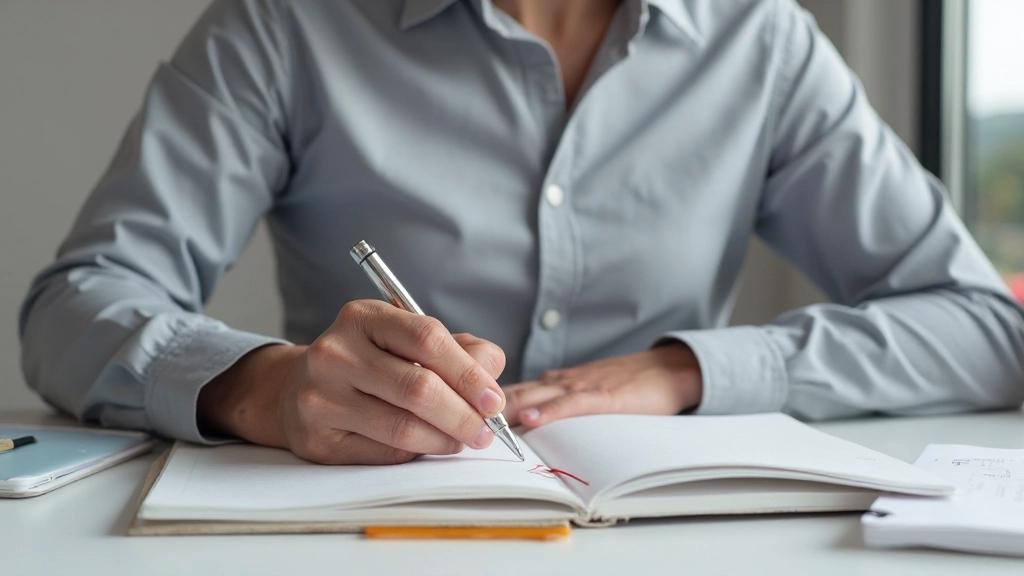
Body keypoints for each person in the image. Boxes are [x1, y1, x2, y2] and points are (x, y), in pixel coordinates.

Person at [19, 0, 1024, 465]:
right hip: (358, 539)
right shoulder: (284, 24)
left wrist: (686, 371)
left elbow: (984, 328)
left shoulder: (760, 41)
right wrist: (265, 387)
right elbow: (75, 305)